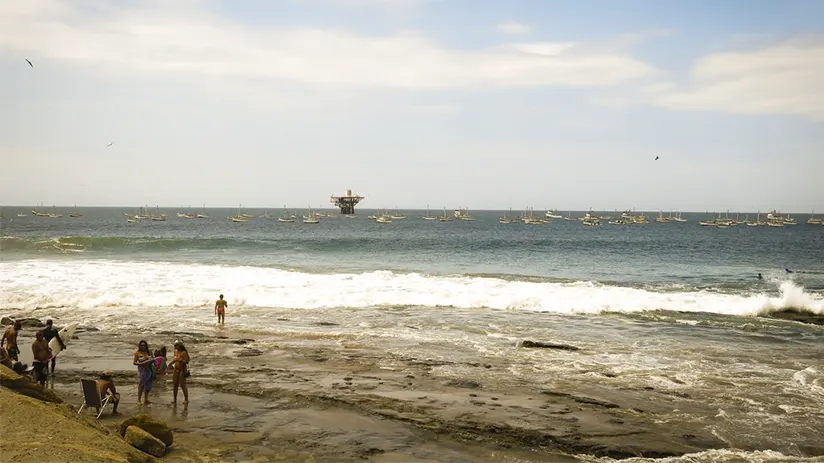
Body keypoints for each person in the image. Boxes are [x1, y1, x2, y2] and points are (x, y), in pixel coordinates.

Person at [133, 340, 154, 405]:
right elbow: (134, 362)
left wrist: (150, 360)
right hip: (142, 370)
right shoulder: (138, 353)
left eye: (144, 345)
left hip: (149, 369)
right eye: (142, 345)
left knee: (148, 385)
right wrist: (141, 363)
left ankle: (146, 399)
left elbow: (153, 359)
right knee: (141, 385)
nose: (143, 346)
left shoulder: (149, 352)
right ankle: (139, 400)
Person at [169, 340, 190, 404]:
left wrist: (181, 360)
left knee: (183, 385)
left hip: (182, 370)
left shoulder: (184, 352)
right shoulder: (175, 352)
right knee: (175, 385)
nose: (175, 346)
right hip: (176, 369)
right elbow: (175, 360)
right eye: (174, 345)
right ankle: (174, 399)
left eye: (176, 345)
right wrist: (170, 364)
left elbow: (187, 361)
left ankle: (186, 399)